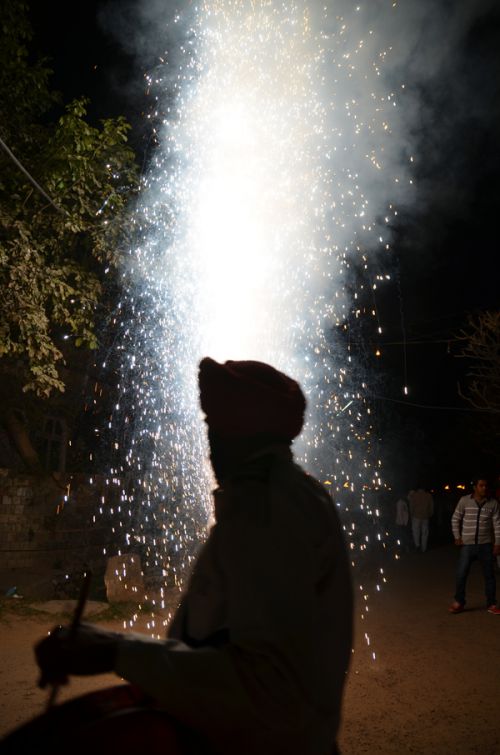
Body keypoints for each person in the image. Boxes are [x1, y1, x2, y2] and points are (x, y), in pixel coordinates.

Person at [32, 358, 354, 754]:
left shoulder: (266, 510)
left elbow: (268, 691)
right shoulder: (293, 495)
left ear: (235, 432)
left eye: (212, 428)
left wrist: (115, 650)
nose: (208, 447)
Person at [448, 477, 500, 615]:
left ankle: (492, 603)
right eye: (481, 485)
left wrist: (497, 543)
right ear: (475, 487)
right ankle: (459, 602)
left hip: (486, 545)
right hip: (467, 545)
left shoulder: (493, 503)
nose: (484, 488)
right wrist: (457, 537)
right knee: (461, 574)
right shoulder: (465, 501)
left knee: (489, 576)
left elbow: (497, 525)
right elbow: (455, 519)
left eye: (486, 486)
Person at [408, 486, 434, 552]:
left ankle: (417, 545)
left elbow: (411, 506)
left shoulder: (414, 495)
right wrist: (430, 514)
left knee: (416, 532)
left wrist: (411, 514)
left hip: (416, 516)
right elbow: (431, 506)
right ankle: (424, 548)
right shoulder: (428, 495)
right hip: (425, 517)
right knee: (424, 533)